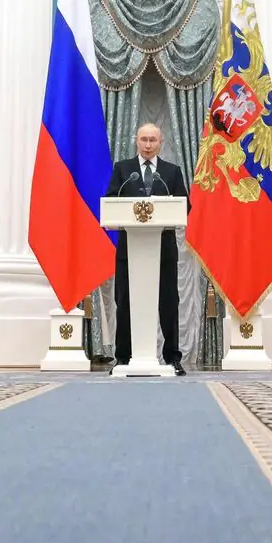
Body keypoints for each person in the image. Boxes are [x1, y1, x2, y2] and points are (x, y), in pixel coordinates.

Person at [108, 123, 186, 374]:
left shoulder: (172, 172)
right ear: (136, 141)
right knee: (125, 302)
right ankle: (123, 358)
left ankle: (172, 358)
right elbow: (111, 201)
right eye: (144, 139)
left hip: (163, 249)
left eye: (153, 140)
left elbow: (185, 206)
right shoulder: (123, 170)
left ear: (160, 143)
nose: (148, 145)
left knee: (168, 303)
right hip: (129, 250)